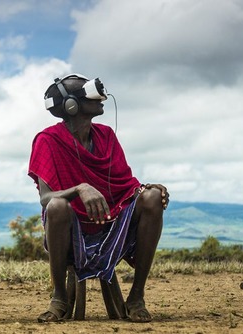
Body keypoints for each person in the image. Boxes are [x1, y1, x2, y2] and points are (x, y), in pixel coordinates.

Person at [27, 74, 169, 323]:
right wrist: (79, 188)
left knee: (152, 198)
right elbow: (46, 198)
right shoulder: (47, 140)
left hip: (111, 226)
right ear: (71, 106)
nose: (101, 98)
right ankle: (59, 298)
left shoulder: (106, 136)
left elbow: (126, 188)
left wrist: (146, 191)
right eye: (89, 94)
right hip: (72, 233)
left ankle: (136, 297)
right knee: (57, 205)